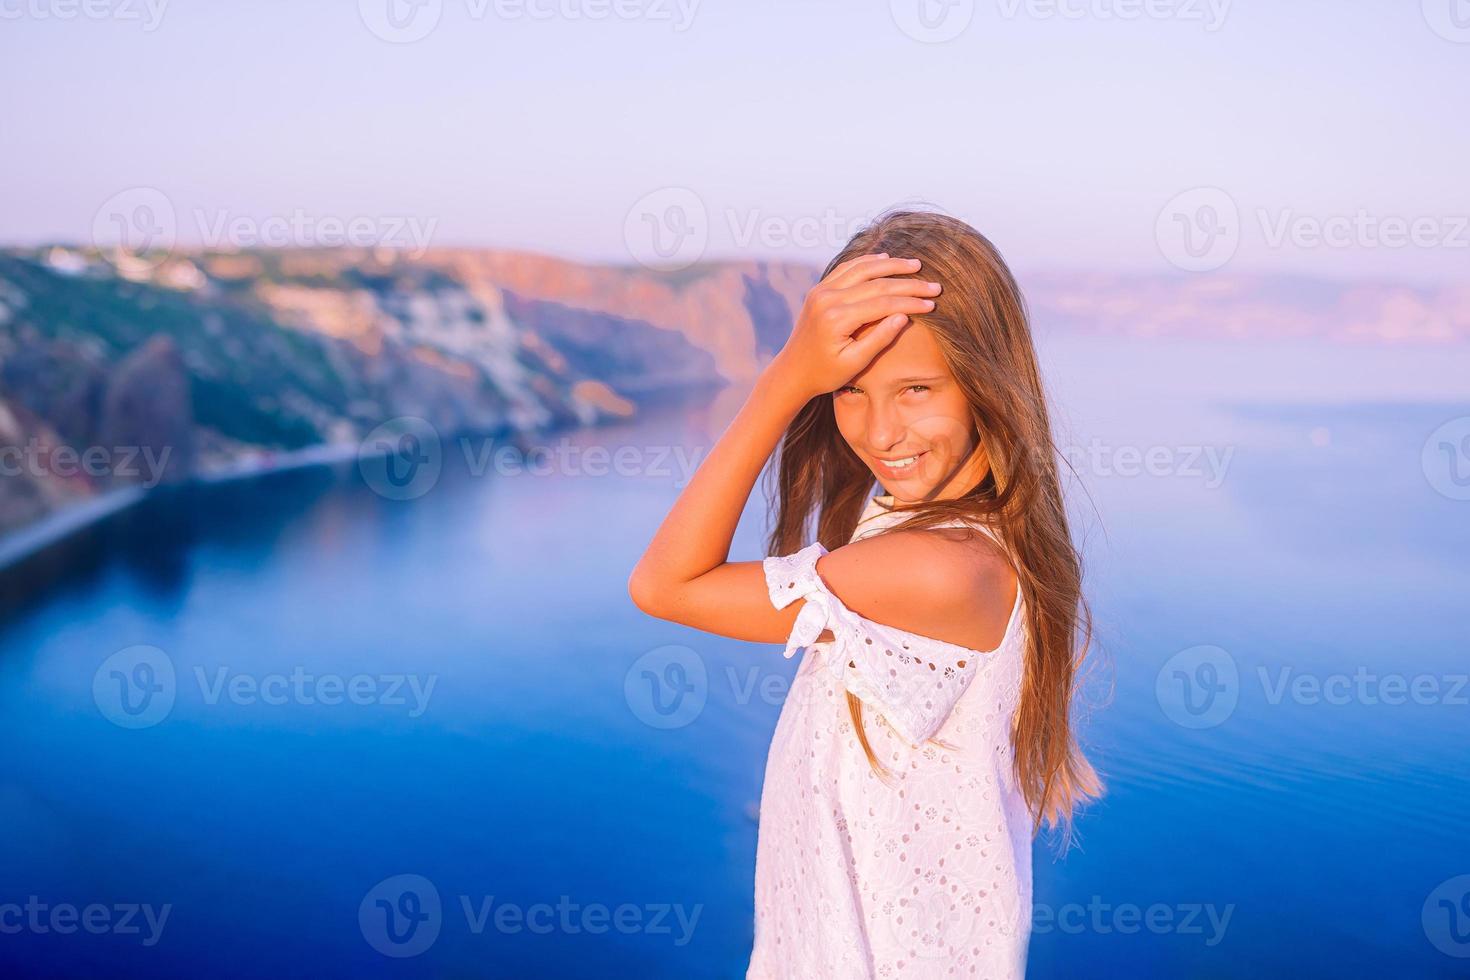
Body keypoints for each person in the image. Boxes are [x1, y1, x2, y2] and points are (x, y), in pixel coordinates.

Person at [629, 208, 1101, 978]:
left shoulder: (937, 570)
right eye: (848, 391)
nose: (881, 432)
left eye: (917, 387)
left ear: (988, 381)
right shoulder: (950, 534)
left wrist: (784, 381)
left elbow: (664, 583)